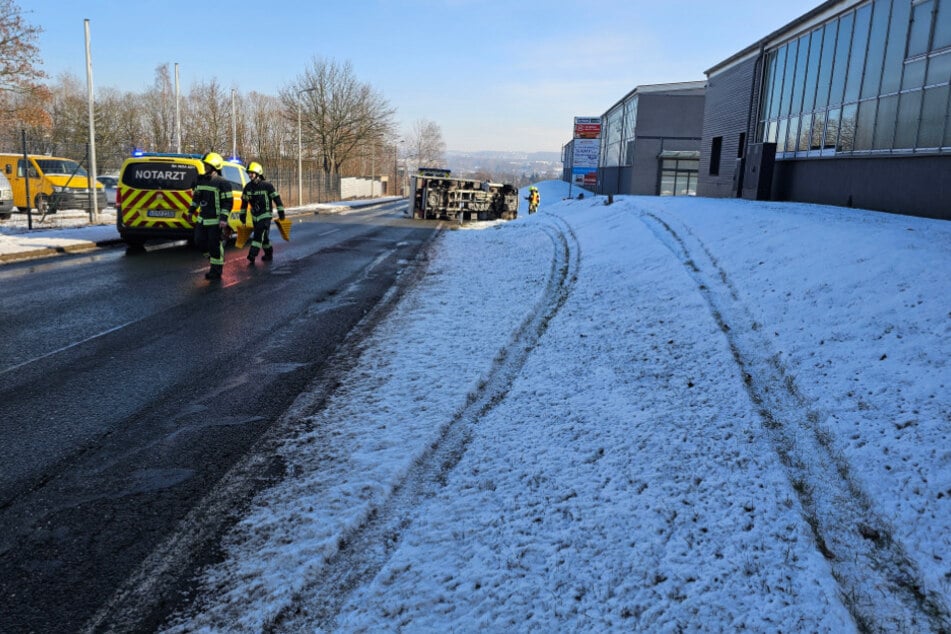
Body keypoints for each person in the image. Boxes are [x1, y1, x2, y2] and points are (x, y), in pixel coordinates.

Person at [188, 152, 233, 280]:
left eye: (207, 165)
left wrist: (223, 219)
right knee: (199, 241)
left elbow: (227, 202)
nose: (205, 167)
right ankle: (214, 260)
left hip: (215, 220)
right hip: (202, 219)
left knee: (214, 244)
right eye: (205, 164)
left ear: (214, 166)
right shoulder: (200, 179)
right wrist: (191, 210)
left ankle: (216, 270)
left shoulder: (222, 183)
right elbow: (196, 197)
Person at [241, 161, 286, 264]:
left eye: (252, 173)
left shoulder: (267, 186)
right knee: (264, 237)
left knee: (258, 234)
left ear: (258, 173)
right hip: (255, 215)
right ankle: (269, 254)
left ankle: (252, 255)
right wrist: (242, 215)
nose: (250, 175)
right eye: (249, 173)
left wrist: (281, 212)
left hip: (266, 214)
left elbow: (277, 199)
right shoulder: (247, 187)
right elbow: (244, 203)